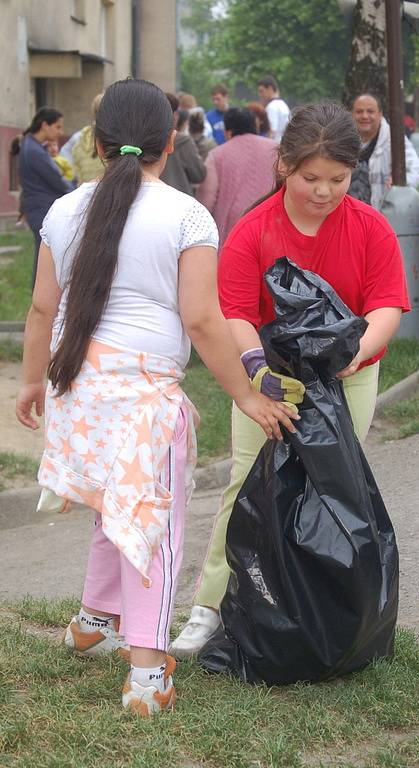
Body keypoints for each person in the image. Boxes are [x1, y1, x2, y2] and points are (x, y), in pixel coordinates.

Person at [15, 78, 297, 716]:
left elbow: (40, 308)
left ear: (96, 140)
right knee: (152, 528)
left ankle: (93, 621)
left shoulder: (63, 209)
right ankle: (147, 674)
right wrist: (248, 394)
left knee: (113, 509)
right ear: (172, 142)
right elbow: (202, 321)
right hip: (142, 397)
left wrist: (32, 381)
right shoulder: (185, 215)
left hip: (77, 391)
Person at [171, 102, 411, 659]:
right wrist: (256, 371)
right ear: (283, 166)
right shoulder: (254, 229)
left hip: (346, 380)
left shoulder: (369, 226)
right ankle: (208, 608)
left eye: (337, 179)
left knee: (331, 487)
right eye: (310, 179)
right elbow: (235, 310)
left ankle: (324, 605)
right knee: (247, 483)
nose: (323, 192)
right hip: (270, 379)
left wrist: (357, 353)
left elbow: (387, 306)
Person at [196, 107, 277, 247]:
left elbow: (206, 201)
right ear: (255, 126)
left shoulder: (217, 155)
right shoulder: (277, 150)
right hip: (272, 223)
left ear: (227, 132)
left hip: (232, 229)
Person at [17, 107, 74, 288]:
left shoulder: (30, 145)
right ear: (44, 125)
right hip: (41, 210)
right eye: (57, 127)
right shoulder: (35, 152)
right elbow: (57, 181)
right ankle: (41, 297)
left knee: (43, 258)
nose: (60, 132)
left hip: (37, 209)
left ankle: (40, 295)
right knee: (46, 260)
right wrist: (77, 191)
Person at [351, 93, 419, 209]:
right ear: (352, 114)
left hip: (380, 215)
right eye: (359, 111)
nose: (364, 116)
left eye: (370, 111)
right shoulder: (342, 140)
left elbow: (414, 169)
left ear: (380, 114)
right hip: (347, 215)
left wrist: (400, 181)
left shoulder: (394, 139)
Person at [160, 101, 207, 196]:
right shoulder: (184, 141)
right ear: (175, 116)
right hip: (180, 199)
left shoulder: (141, 140)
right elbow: (198, 175)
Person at [71, 93, 105, 184]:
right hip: (109, 194)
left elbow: (77, 173)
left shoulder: (80, 140)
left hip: (85, 193)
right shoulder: (116, 139)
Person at [257, 75, 290, 142]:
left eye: (261, 91)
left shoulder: (272, 107)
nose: (260, 94)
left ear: (270, 88)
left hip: (274, 147)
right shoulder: (284, 105)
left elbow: (272, 132)